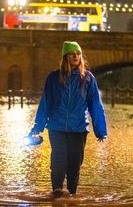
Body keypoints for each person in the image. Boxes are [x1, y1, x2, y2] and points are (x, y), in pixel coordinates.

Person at [28, 41, 108, 198]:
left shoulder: (88, 79)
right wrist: (37, 128)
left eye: (78, 54)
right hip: (57, 128)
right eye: (72, 54)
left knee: (74, 165)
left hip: (78, 129)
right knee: (58, 162)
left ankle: (71, 195)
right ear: (65, 57)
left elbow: (95, 106)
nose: (76, 57)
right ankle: (57, 194)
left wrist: (100, 130)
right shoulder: (53, 78)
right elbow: (46, 104)